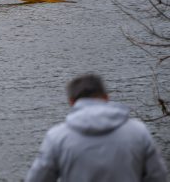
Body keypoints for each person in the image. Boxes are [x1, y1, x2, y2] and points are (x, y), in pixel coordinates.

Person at [25, 73, 167, 182]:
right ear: (106, 97)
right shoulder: (138, 131)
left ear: (71, 101)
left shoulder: (57, 137)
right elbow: (158, 177)